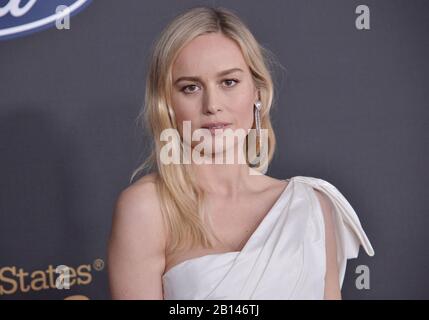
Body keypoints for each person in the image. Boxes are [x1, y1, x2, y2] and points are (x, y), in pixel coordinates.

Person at [107, 6, 374, 300]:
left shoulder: (311, 206)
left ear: (257, 91)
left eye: (229, 82)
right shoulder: (147, 209)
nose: (212, 104)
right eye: (191, 87)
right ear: (167, 103)